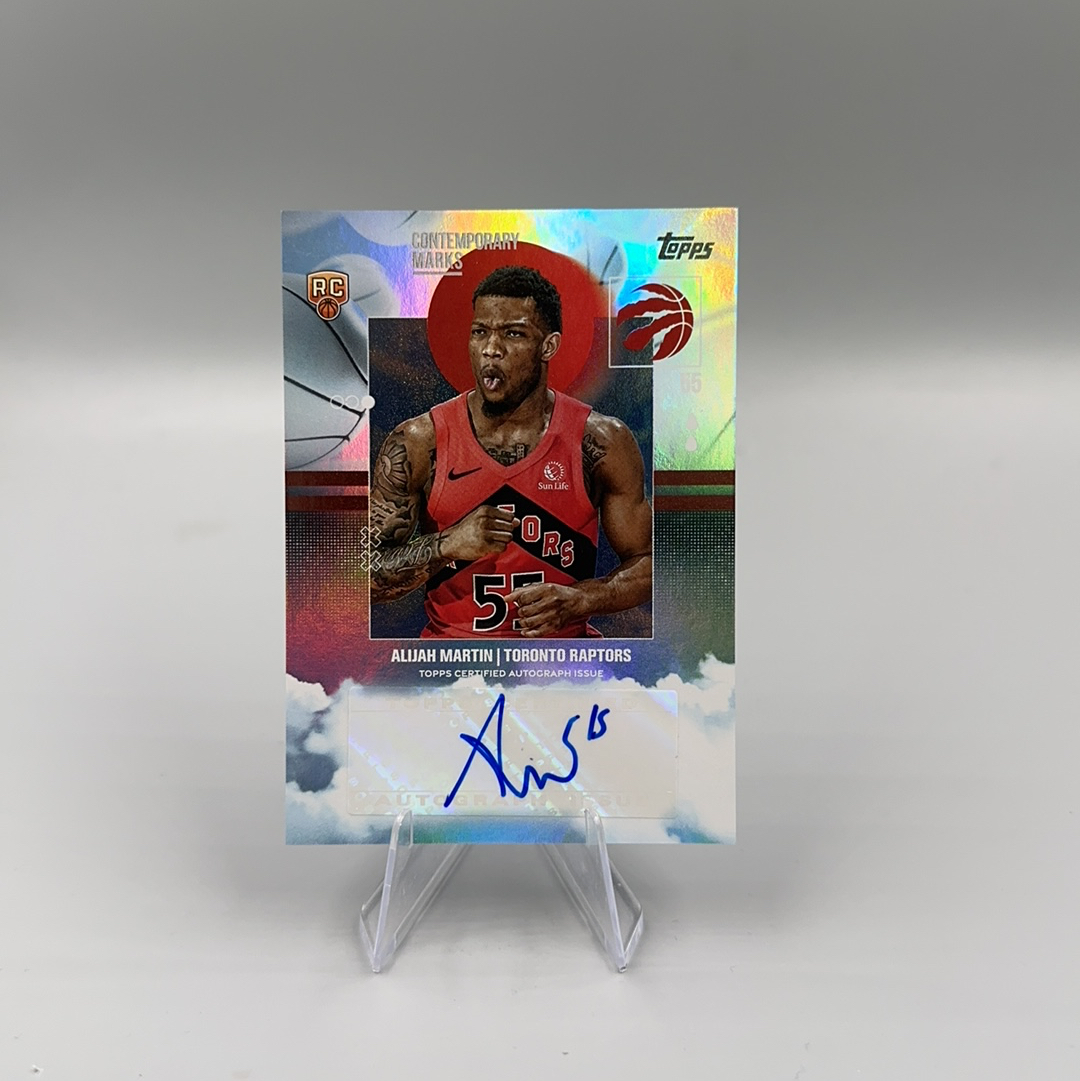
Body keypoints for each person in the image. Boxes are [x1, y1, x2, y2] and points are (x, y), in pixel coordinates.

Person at [369, 265, 651, 638]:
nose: (491, 349)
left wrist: (583, 599)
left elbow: (647, 563)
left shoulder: (601, 442)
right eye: (480, 332)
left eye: (513, 333)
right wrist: (447, 544)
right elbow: (367, 579)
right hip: (452, 661)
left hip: (563, 663)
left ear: (548, 346)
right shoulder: (418, 442)